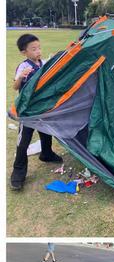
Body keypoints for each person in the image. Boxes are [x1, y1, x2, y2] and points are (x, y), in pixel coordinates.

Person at [11, 34, 63, 190]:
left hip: (42, 108)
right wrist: (20, 77)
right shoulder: (23, 66)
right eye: (33, 49)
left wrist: (54, 60)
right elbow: (15, 86)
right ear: (24, 52)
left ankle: (46, 153)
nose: (38, 51)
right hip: (28, 110)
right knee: (24, 140)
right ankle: (18, 173)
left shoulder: (42, 63)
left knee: (46, 132)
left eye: (39, 48)